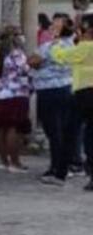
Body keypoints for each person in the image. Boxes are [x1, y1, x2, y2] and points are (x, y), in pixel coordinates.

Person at [49, 14, 93, 191]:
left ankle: (61, 172)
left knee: (73, 133)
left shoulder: (86, 47)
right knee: (87, 134)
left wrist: (56, 42)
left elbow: (60, 57)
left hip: (85, 93)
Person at [34, 15, 78, 186]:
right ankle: (65, 166)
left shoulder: (50, 46)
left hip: (49, 90)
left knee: (53, 131)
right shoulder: (74, 45)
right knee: (64, 130)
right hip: (68, 88)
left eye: (55, 25)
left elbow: (34, 61)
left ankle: (56, 167)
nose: (52, 27)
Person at [0, 25, 32, 174]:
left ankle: (3, 161)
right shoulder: (17, 54)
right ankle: (15, 162)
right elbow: (25, 72)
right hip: (16, 93)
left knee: (0, 129)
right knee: (14, 128)